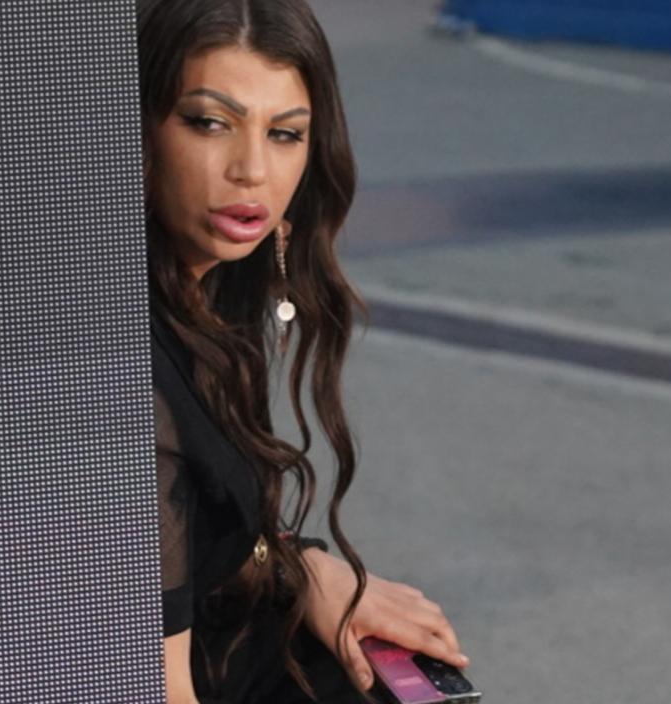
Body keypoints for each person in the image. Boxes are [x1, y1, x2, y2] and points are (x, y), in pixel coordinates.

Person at [136, 1, 470, 702]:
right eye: (209, 122)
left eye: (285, 133)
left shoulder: (208, 290)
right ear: (138, 129)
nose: (252, 170)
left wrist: (302, 568)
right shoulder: (132, 384)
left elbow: (205, 534)